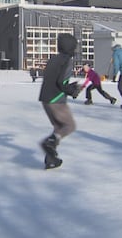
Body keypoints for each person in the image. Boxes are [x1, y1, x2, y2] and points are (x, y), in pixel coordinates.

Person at [39, 33, 82, 169]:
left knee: (58, 128)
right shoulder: (67, 60)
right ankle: (49, 143)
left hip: (45, 98)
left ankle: (51, 158)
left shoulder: (54, 59)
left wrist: (70, 87)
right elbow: (62, 82)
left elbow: (52, 78)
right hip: (56, 99)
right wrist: (73, 90)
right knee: (69, 126)